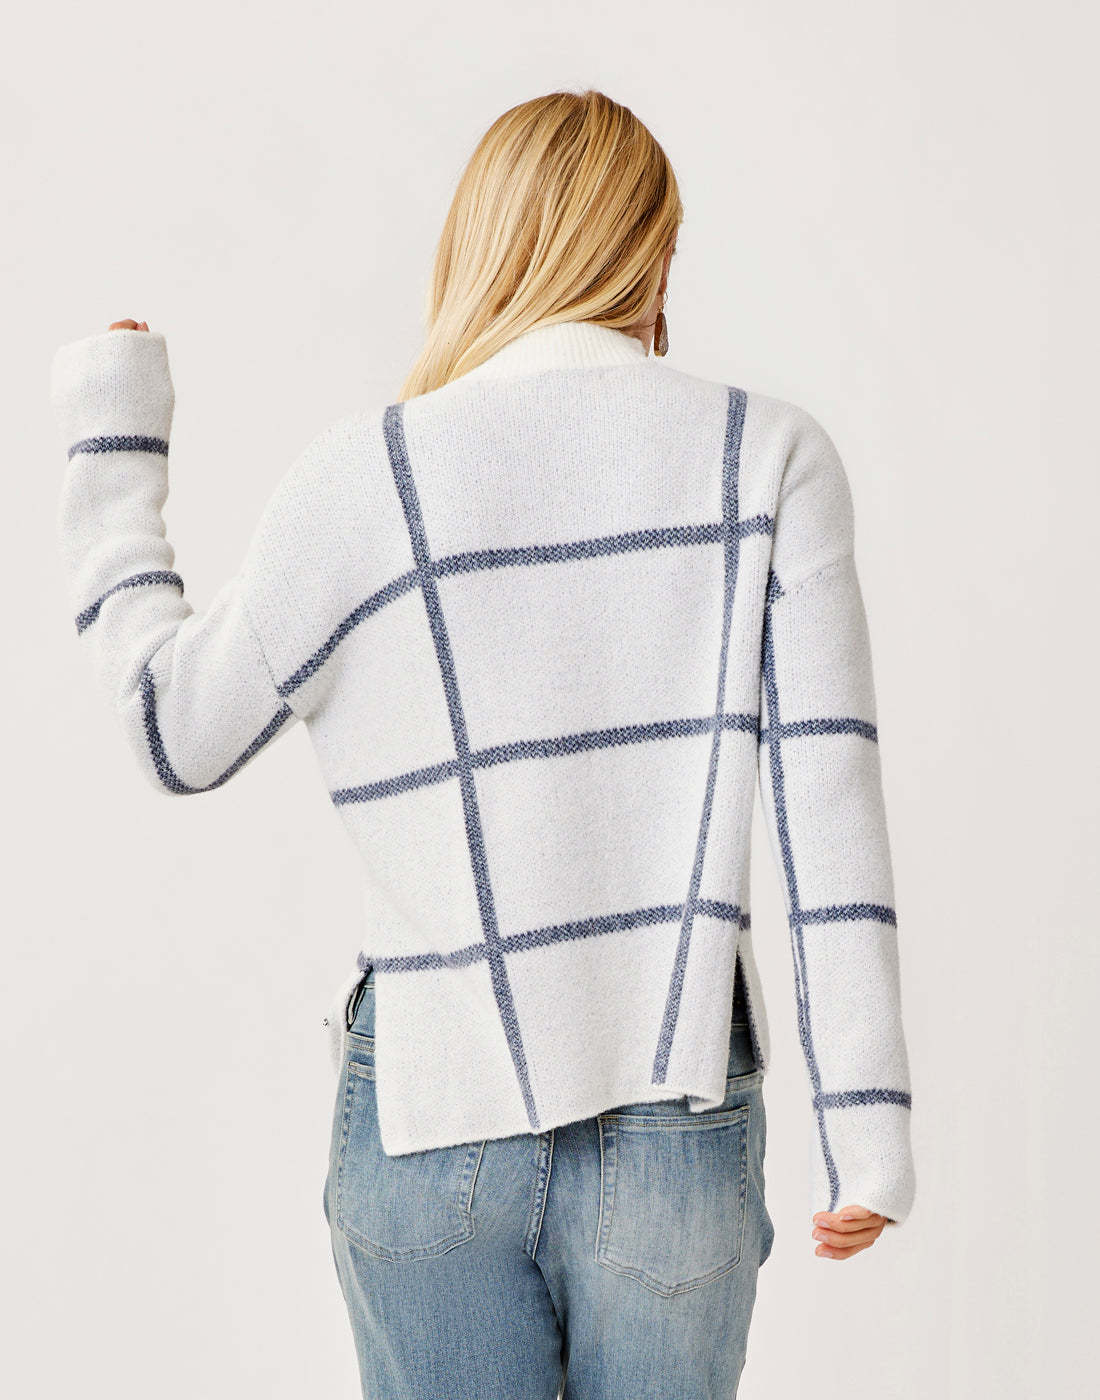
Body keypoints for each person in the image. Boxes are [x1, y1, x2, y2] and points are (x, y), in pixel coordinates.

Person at [50, 87, 915, 1399]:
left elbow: (176, 732)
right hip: (675, 1117)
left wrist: (115, 447)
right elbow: (827, 801)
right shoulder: (769, 458)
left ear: (481, 245)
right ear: (654, 253)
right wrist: (866, 1132)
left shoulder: (367, 479)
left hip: (427, 1118)